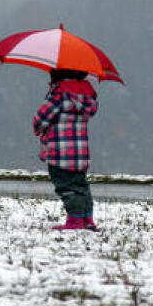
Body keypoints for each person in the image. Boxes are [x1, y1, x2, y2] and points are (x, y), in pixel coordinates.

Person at [33, 69, 100, 231]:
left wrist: (37, 125)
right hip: (80, 152)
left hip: (60, 151)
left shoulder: (59, 93)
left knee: (66, 186)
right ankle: (87, 218)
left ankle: (75, 220)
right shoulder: (87, 95)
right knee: (80, 184)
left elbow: (42, 117)